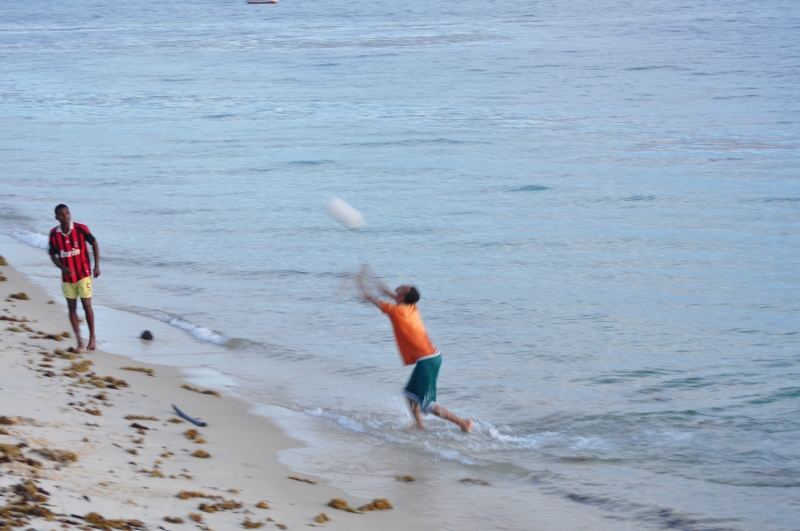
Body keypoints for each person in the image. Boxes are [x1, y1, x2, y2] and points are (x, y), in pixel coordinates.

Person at [357, 266, 473, 433]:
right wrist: (375, 280)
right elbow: (390, 294)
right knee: (410, 394)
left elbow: (371, 298)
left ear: (402, 296)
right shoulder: (411, 306)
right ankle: (420, 426)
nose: (401, 285)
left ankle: (463, 423)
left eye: (404, 287)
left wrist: (361, 283)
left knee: (428, 404)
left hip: (428, 360)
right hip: (428, 358)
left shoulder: (396, 311)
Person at [48, 204, 100, 352]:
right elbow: (52, 254)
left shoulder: (80, 229)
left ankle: (92, 337)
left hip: (83, 275)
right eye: (61, 214)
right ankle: (79, 341)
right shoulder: (54, 234)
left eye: (67, 213)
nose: (65, 216)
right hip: (67, 279)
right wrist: (63, 268)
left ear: (70, 214)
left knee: (86, 305)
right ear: (57, 217)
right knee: (72, 307)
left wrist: (96, 266)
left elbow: (94, 243)